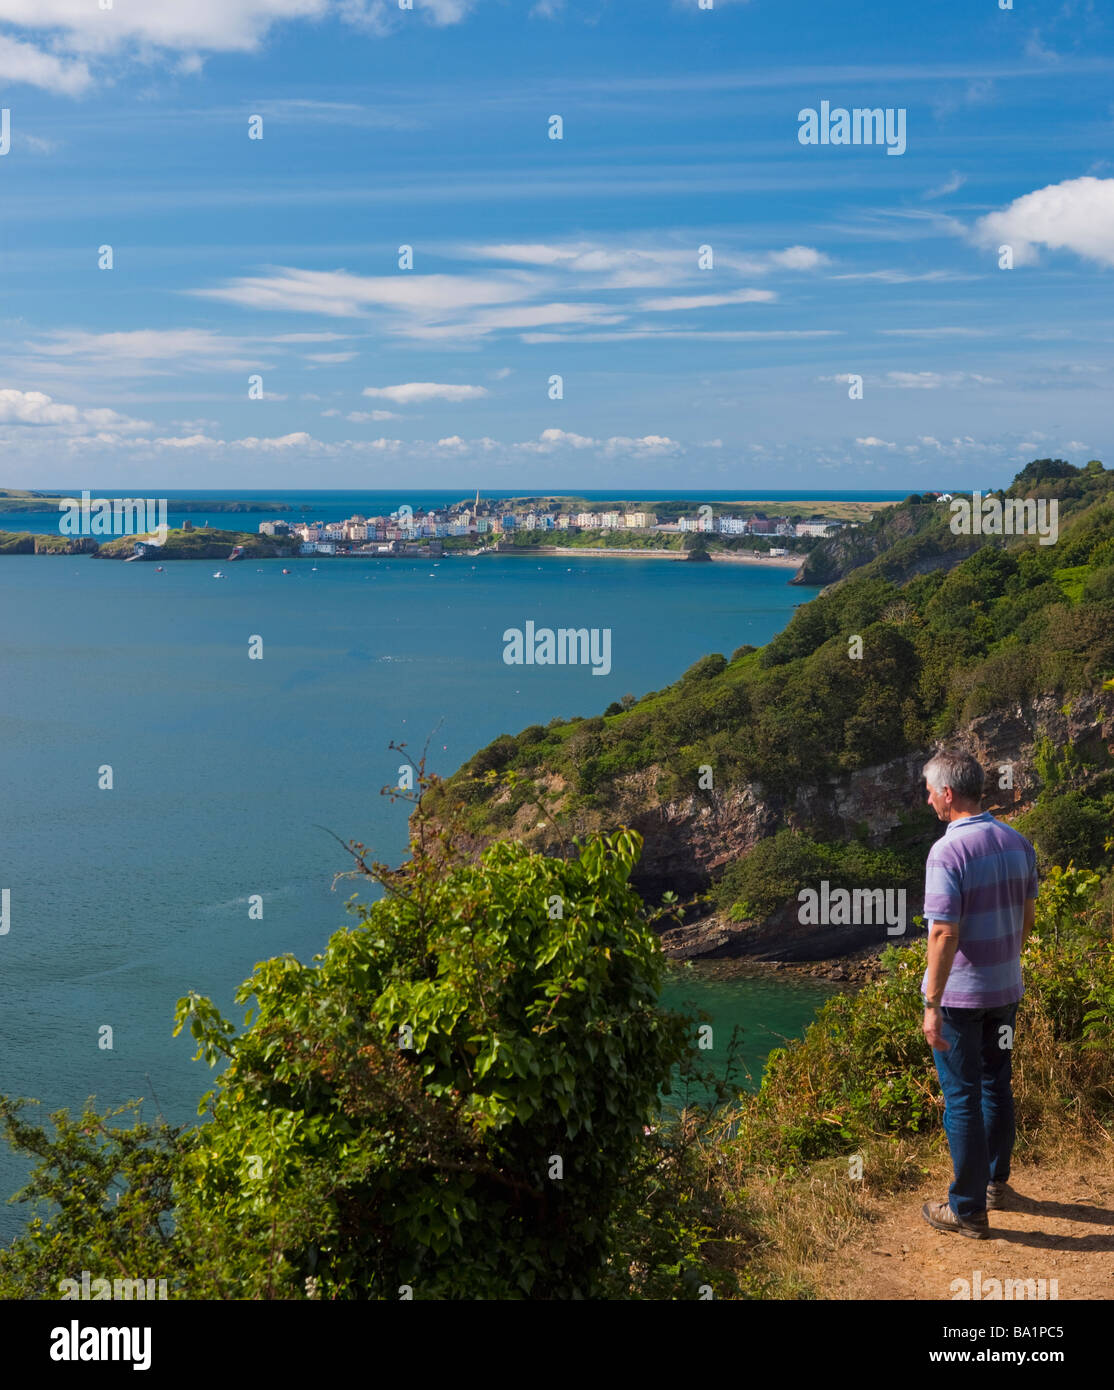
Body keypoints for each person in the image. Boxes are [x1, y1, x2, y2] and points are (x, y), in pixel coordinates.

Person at [918, 748, 1038, 1238]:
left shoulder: (947, 851)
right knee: (996, 1085)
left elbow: (943, 934)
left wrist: (932, 1004)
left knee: (962, 1097)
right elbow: (1027, 919)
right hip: (1005, 991)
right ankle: (995, 1185)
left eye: (929, 791)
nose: (927, 800)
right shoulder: (1017, 842)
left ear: (948, 793)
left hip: (960, 1000)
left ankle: (967, 1210)